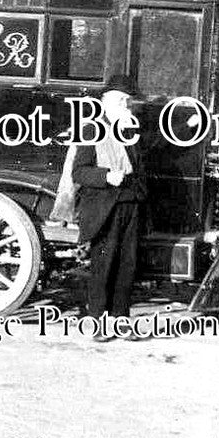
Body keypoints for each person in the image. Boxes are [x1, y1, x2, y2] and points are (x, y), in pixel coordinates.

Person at [71, 74, 147, 341]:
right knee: (103, 266)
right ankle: (98, 323)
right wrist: (106, 176)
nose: (125, 105)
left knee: (127, 266)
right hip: (105, 207)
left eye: (127, 101)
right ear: (105, 102)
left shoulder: (130, 131)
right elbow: (79, 172)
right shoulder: (92, 130)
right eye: (119, 100)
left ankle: (121, 321)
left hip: (131, 204)